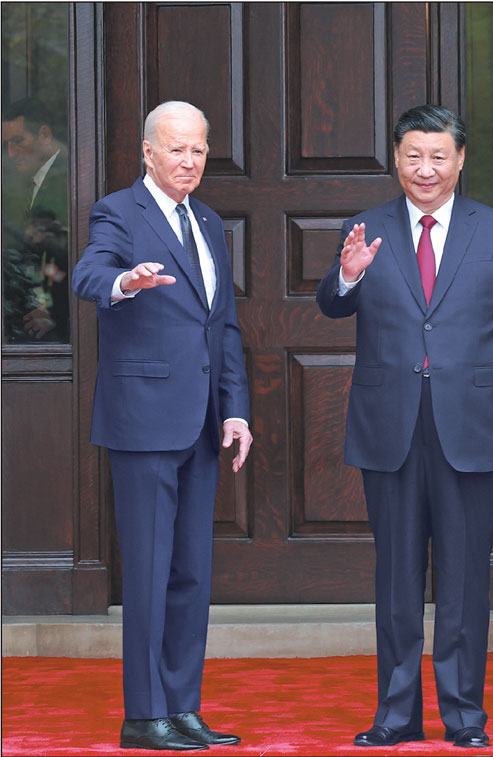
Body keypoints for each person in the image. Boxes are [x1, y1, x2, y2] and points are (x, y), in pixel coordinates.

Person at [317, 105, 493, 750]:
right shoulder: (367, 227)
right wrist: (348, 274)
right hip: (390, 424)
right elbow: (333, 306)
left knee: (466, 577)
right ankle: (395, 715)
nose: (426, 168)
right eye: (413, 155)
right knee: (396, 578)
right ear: (396, 157)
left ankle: (465, 717)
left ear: (460, 160)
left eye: (438, 156)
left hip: (472, 424)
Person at [71, 101, 253, 751]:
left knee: (190, 574)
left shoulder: (208, 221)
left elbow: (223, 325)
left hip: (202, 422)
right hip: (144, 420)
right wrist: (124, 280)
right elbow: (88, 272)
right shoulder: (119, 211)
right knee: (148, 573)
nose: (190, 161)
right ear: (147, 151)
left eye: (199, 150)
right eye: (177, 149)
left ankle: (183, 706)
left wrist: (235, 409)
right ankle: (143, 714)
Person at [2, 96, 69, 342]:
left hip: (63, 329)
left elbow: (78, 254)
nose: (11, 153)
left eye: (18, 141)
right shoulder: (39, 178)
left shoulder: (67, 177)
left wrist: (56, 312)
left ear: (44, 134)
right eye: (6, 144)